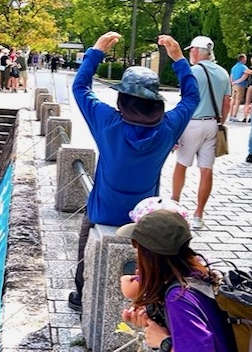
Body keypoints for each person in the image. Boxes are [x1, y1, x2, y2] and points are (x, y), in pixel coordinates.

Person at [68, 32, 200, 313]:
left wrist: (96, 51)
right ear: (156, 100)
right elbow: (192, 97)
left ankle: (81, 294)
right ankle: (146, 297)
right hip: (143, 218)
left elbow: (80, 88)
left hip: (103, 212)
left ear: (122, 100)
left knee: (84, 242)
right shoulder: (168, 127)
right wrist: (177, 58)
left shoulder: (107, 121)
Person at [118, 210, 236, 352]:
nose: (137, 257)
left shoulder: (178, 298)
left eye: (138, 250)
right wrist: (156, 316)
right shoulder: (197, 274)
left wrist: (163, 341)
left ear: (151, 257)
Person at [171, 36, 231, 230]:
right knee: (206, 170)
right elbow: (227, 102)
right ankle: (198, 214)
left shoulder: (192, 72)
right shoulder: (223, 72)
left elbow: (185, 101)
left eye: (191, 50)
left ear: (196, 51)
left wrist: (177, 129)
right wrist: (220, 121)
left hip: (192, 124)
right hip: (213, 124)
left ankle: (175, 205)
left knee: (181, 165)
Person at [228, 53, 248, 122]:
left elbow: (231, 76)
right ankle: (234, 116)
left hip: (234, 86)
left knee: (233, 99)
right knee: (238, 100)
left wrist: (233, 83)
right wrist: (237, 82)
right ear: (242, 59)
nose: (246, 60)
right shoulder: (243, 67)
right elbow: (245, 75)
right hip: (240, 85)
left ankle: (230, 115)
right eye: (245, 58)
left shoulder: (234, 67)